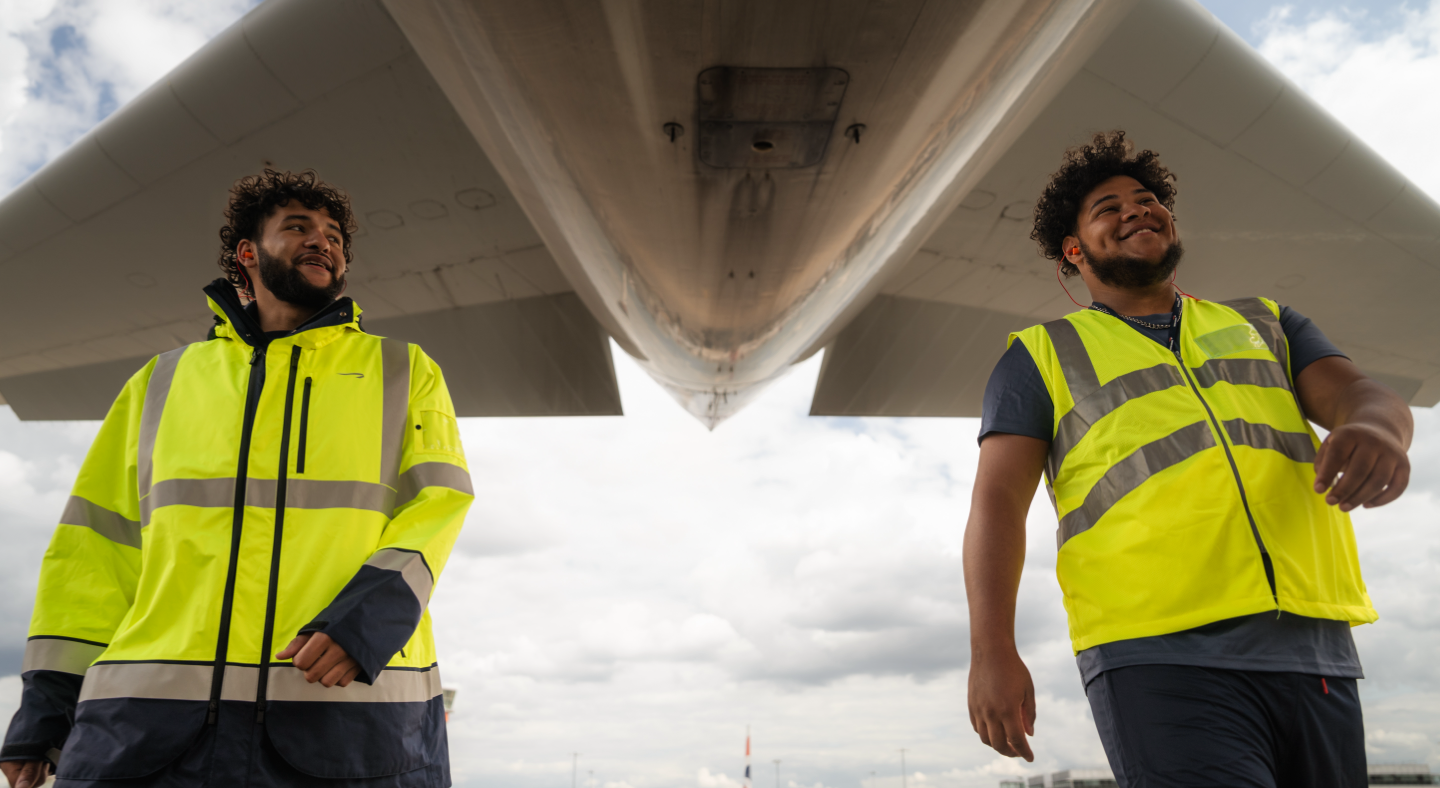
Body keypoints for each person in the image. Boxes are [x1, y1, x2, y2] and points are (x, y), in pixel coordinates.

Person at [964, 132, 1412, 787]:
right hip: (1156, 654)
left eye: (1147, 200)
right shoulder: (1039, 356)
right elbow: (997, 504)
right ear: (1074, 250)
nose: (1136, 210)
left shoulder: (1267, 323)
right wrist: (991, 651)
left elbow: (1360, 396)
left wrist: (1379, 428)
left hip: (1315, 651)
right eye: (1108, 208)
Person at [0, 170, 474, 788]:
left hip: (343, 721)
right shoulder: (159, 383)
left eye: (334, 235)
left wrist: (365, 621)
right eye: (298, 227)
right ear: (247, 255)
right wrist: (46, 708)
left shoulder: (404, 371)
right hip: (146, 734)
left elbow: (440, 504)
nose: (322, 242)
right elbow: (93, 552)